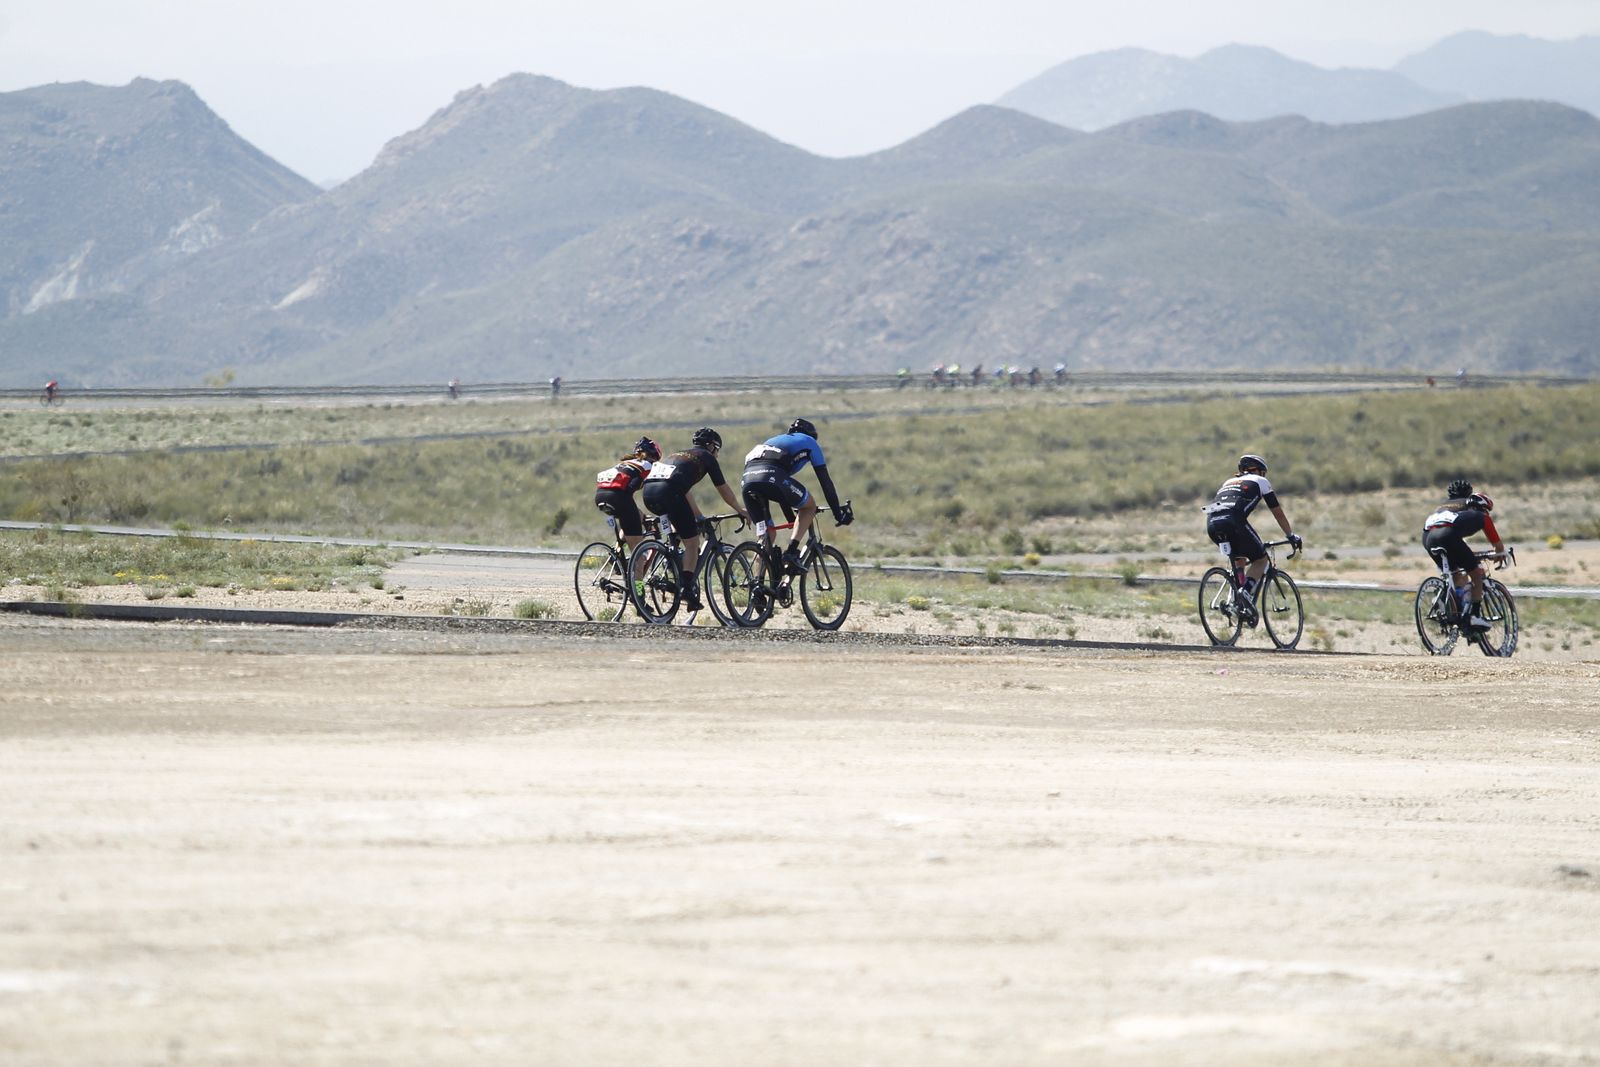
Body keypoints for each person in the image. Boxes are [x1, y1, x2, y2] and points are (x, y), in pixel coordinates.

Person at [641, 428, 749, 611]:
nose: (717, 454)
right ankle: (686, 589)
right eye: (717, 449)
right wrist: (740, 510)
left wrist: (698, 516)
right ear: (711, 446)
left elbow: (684, 490)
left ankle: (671, 563)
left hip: (649, 494)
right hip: (669, 492)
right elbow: (724, 490)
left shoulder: (680, 455)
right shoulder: (706, 457)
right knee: (692, 543)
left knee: (679, 533)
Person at [740, 417, 853, 576]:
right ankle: (791, 552)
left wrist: (791, 519)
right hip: (772, 477)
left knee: (766, 536)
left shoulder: (773, 441)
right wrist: (838, 514)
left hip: (747, 482)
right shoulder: (810, 441)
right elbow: (825, 482)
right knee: (809, 506)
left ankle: (756, 589)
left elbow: (780, 490)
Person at [1204, 454, 1302, 625]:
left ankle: (1237, 600)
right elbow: (1277, 512)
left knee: (1239, 556)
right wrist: (1290, 535)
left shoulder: (1228, 482)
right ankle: (1245, 592)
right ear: (1258, 471)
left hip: (1212, 523)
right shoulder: (1260, 481)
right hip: (1233, 521)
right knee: (1260, 559)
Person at [1422, 479, 1507, 631]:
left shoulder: (1443, 508)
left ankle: (1449, 605)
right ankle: (1473, 617)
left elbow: (1458, 547)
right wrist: (1500, 552)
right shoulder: (1477, 514)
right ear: (1483, 507)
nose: (1487, 513)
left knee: (1456, 575)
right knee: (1476, 574)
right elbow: (1497, 545)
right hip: (1448, 536)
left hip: (1428, 538)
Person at [593, 437, 660, 551]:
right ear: (653, 456)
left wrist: (643, 517)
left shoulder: (625, 463)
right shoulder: (649, 465)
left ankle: (617, 555)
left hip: (600, 495)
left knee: (632, 518)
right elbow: (630, 489)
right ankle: (637, 566)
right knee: (637, 548)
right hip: (618, 497)